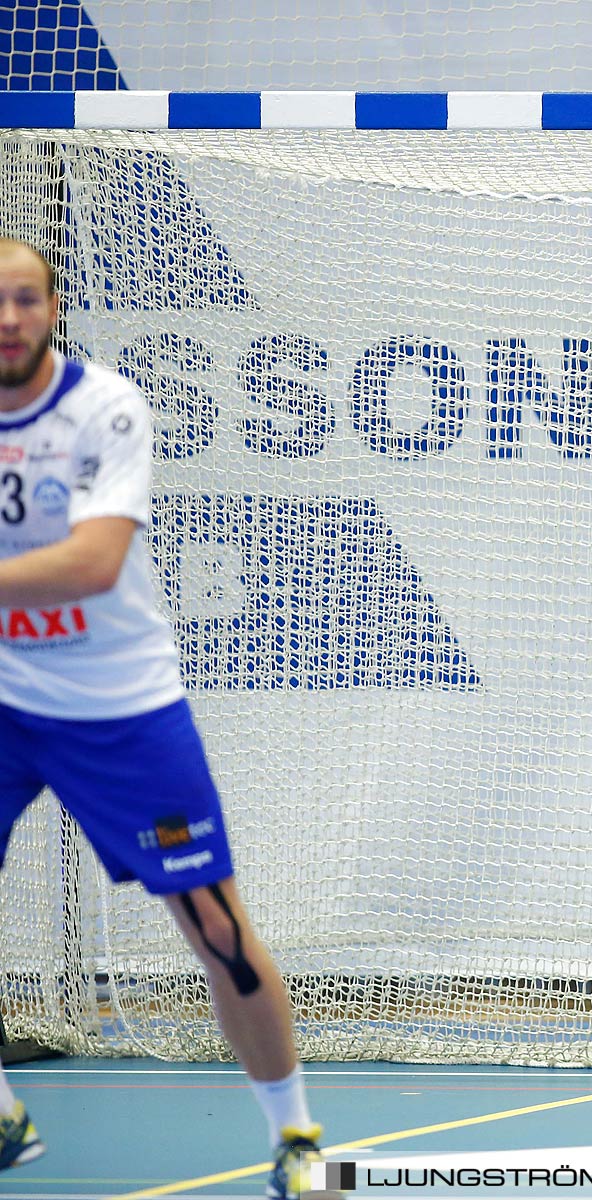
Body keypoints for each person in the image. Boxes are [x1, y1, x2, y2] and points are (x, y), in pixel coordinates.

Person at [0, 239, 336, 1198]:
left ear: (53, 308)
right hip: (4, 698)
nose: (9, 317)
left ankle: (297, 1136)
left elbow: (93, 562)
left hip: (119, 710)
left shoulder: (102, 408)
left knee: (214, 927)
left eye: (26, 298)